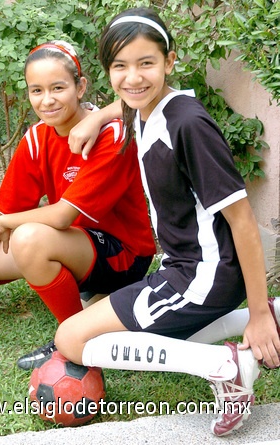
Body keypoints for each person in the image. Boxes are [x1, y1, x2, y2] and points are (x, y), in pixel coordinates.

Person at [53, 8, 280, 437]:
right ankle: (270, 317)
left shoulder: (188, 126)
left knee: (72, 339)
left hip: (201, 276)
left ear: (169, 62)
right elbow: (129, 98)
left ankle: (224, 366)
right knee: (121, 335)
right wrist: (97, 118)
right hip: (188, 267)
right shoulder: (151, 105)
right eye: (120, 66)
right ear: (107, 71)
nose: (133, 77)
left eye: (146, 64)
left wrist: (255, 311)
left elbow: (245, 223)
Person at [0, 40, 157, 369]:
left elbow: (62, 216)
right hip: (72, 242)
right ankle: (80, 293)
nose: (47, 100)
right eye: (37, 90)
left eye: (58, 87)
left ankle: (73, 337)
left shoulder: (111, 135)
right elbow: (2, 211)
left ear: (80, 86)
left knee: (28, 237)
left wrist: (9, 224)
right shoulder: (37, 138)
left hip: (122, 255)